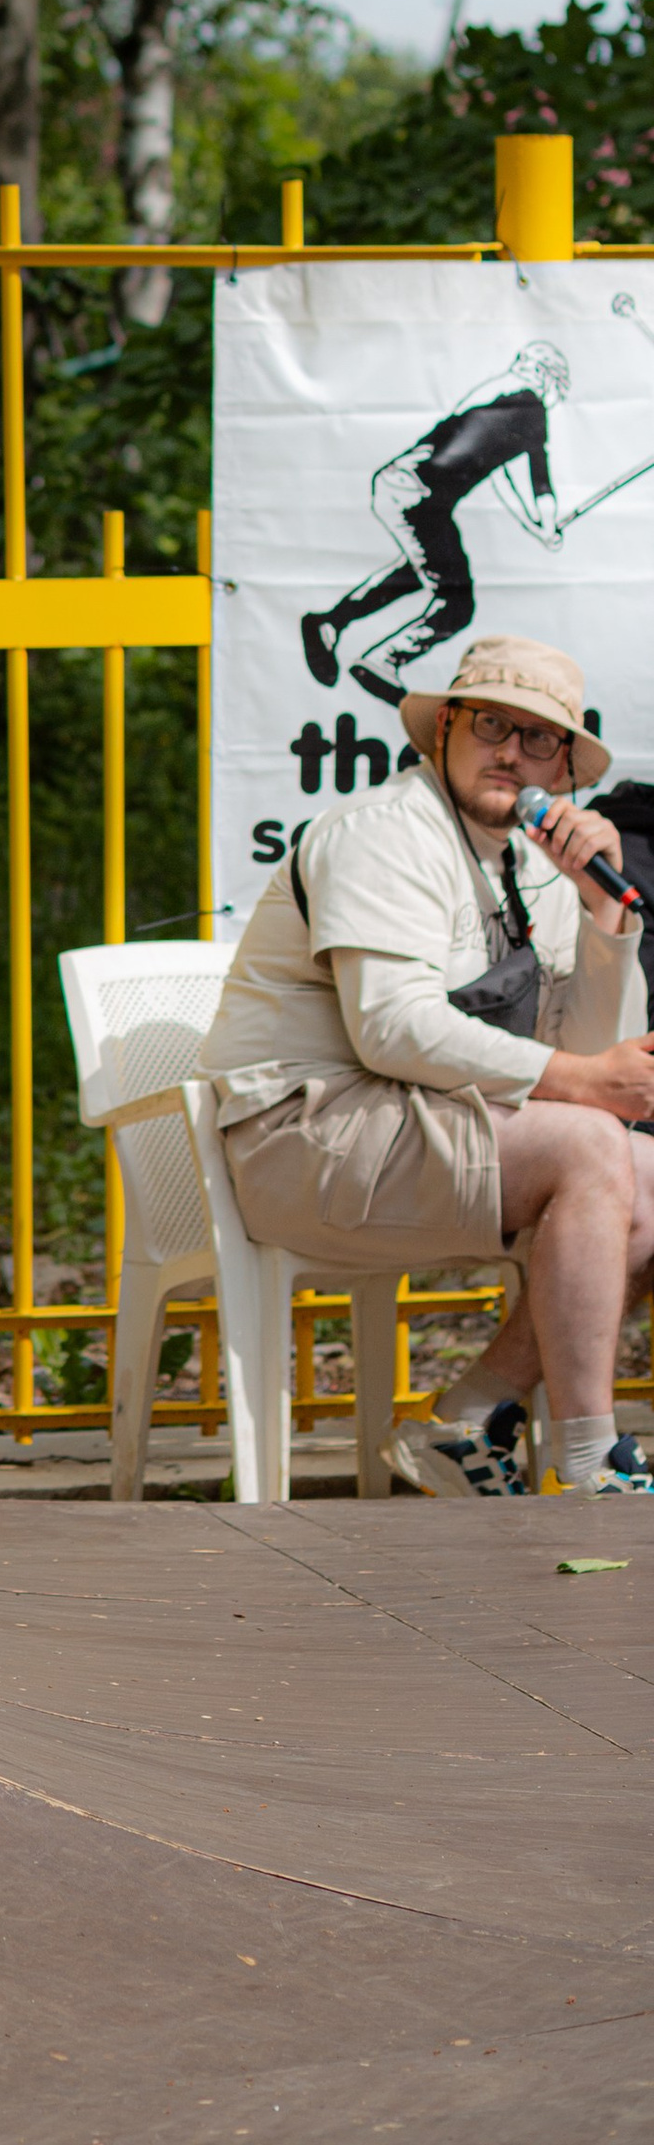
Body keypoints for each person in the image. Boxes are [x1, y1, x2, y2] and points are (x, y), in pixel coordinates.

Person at [197, 636, 654, 1500]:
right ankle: (591, 1464)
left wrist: (601, 907)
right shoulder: (382, 832)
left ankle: (464, 1420)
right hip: (303, 1138)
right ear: (444, 729)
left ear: (562, 766)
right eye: (491, 725)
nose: (512, 753)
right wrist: (585, 1082)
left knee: (647, 1173)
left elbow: (587, 1047)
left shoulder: (538, 865)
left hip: (416, 1127)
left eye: (539, 737)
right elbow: (391, 1030)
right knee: (592, 1147)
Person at [299, 345, 570, 706]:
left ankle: (331, 622)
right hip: (419, 498)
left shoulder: (498, 398)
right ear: (546, 378)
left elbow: (501, 477)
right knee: (456, 602)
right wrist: (547, 525)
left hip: (404, 487)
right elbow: (540, 483)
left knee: (416, 573)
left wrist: (536, 527)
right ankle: (382, 661)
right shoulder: (530, 409)